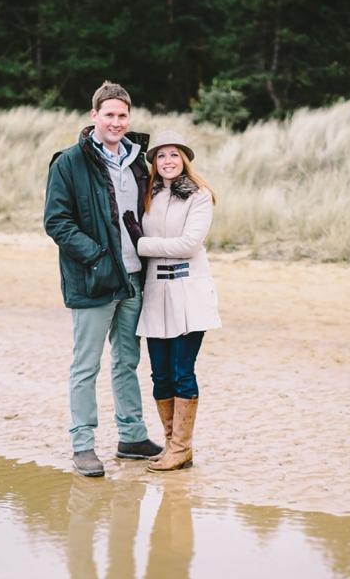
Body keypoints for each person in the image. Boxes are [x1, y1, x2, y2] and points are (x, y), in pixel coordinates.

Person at [44, 81, 163, 477]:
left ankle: (132, 437)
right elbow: (57, 222)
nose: (116, 121)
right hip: (93, 279)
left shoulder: (136, 160)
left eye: (122, 115)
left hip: (133, 279)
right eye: (109, 114)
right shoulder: (69, 162)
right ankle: (83, 446)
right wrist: (97, 258)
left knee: (127, 361)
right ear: (94, 115)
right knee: (86, 366)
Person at [123, 131, 221, 472]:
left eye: (174, 155)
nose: (167, 161)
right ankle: (172, 447)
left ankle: (182, 448)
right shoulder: (148, 195)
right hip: (155, 294)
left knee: (182, 372)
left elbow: (189, 245)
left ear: (184, 160)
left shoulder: (199, 196)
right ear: (153, 163)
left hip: (188, 293)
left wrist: (143, 244)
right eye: (161, 156)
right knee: (159, 375)